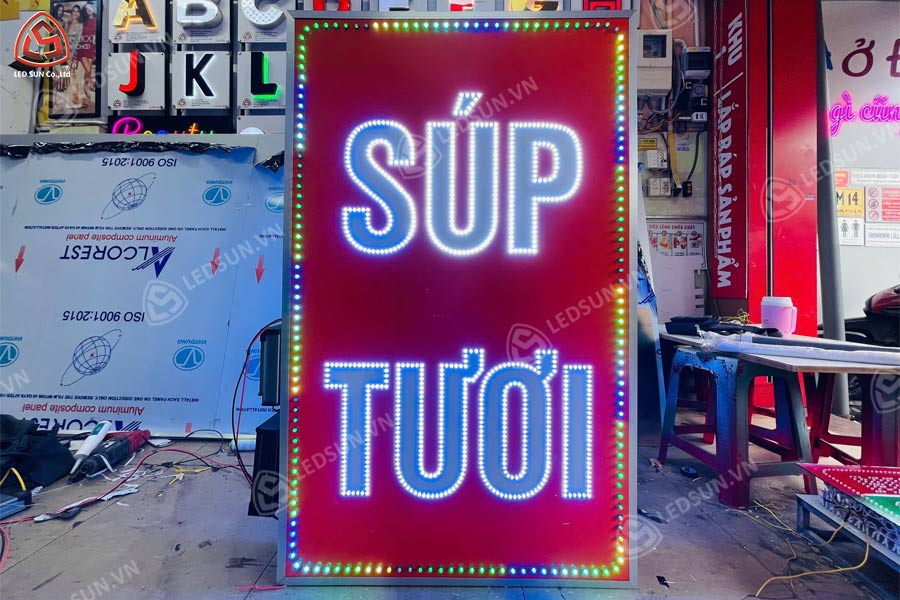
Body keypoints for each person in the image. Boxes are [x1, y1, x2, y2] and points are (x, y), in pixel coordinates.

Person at [76, 3, 97, 107]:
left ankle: (86, 97)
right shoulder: (83, 21)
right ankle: (87, 95)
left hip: (91, 48)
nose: (89, 10)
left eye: (90, 8)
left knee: (87, 74)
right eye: (87, 9)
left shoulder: (97, 20)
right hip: (82, 47)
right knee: (88, 70)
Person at [63, 4, 84, 109]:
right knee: (68, 77)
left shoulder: (80, 26)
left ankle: (77, 101)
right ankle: (69, 100)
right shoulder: (67, 24)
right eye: (74, 11)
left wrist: (72, 56)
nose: (75, 13)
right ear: (71, 13)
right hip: (66, 54)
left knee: (75, 76)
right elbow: (64, 40)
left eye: (77, 11)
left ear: (79, 14)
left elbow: (77, 42)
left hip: (75, 54)